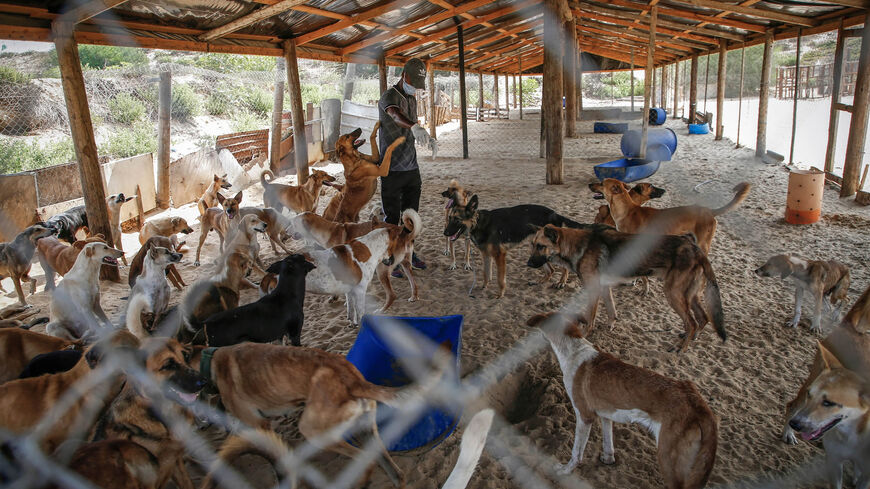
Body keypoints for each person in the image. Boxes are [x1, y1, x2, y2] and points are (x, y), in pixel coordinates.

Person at [377, 57, 431, 274]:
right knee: (391, 217)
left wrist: (425, 137)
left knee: (411, 215)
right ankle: (391, 258)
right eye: (414, 82)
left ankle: (409, 253)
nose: (415, 88)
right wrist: (415, 127)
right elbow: (396, 116)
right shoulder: (389, 97)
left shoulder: (412, 97)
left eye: (419, 85)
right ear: (404, 76)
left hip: (411, 166)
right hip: (391, 168)